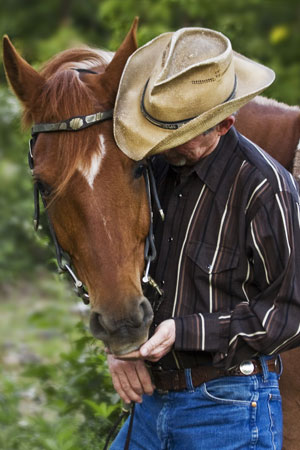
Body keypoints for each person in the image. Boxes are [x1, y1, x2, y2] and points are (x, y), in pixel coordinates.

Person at [108, 27, 300, 449]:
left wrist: (188, 331)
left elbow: (288, 315)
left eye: (181, 135)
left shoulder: (266, 189)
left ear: (225, 122)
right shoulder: (154, 170)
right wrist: (118, 347)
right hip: (151, 404)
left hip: (229, 406)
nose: (163, 144)